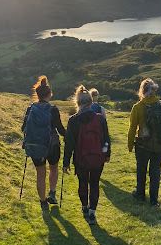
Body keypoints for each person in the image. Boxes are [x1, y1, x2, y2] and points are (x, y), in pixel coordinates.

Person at [63, 85, 111, 225]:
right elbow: (106, 139)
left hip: (81, 159)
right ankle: (92, 212)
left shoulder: (73, 120)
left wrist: (66, 162)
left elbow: (69, 144)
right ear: (91, 102)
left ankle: (84, 207)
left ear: (77, 103)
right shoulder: (100, 118)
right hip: (97, 158)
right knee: (94, 183)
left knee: (82, 183)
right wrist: (107, 154)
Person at [22, 76, 66, 211]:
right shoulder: (53, 109)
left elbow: (23, 128)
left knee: (40, 173)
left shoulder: (30, 109)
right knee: (53, 168)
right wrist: (69, 136)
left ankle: (43, 202)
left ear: (37, 94)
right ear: (50, 94)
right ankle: (52, 193)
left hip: (36, 145)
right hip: (52, 145)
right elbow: (60, 129)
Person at [127, 78, 161, 207]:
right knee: (155, 171)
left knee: (141, 169)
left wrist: (130, 145)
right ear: (154, 90)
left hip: (143, 144)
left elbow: (132, 128)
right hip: (159, 144)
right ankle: (154, 201)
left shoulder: (137, 107)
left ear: (142, 90)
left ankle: (140, 195)